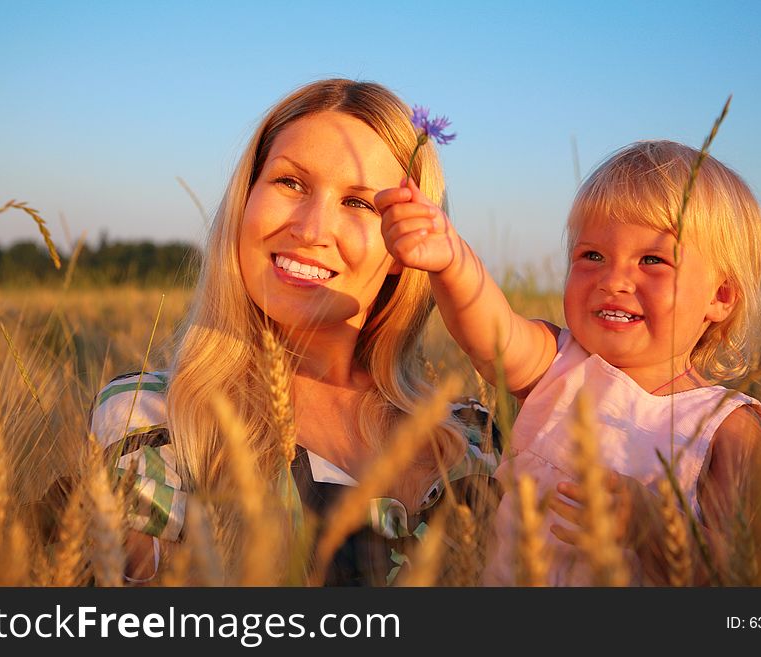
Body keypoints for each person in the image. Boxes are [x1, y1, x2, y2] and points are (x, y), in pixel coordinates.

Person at [87, 79, 500, 586]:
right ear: (245, 200)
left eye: (361, 203)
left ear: (408, 244)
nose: (310, 229)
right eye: (291, 184)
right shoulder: (153, 420)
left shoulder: (471, 435)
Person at [376, 140, 761, 585]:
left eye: (653, 260)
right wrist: (450, 259)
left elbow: (758, 575)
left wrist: (653, 529)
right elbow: (491, 331)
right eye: (592, 256)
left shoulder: (726, 428)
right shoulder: (558, 365)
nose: (613, 280)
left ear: (720, 296)